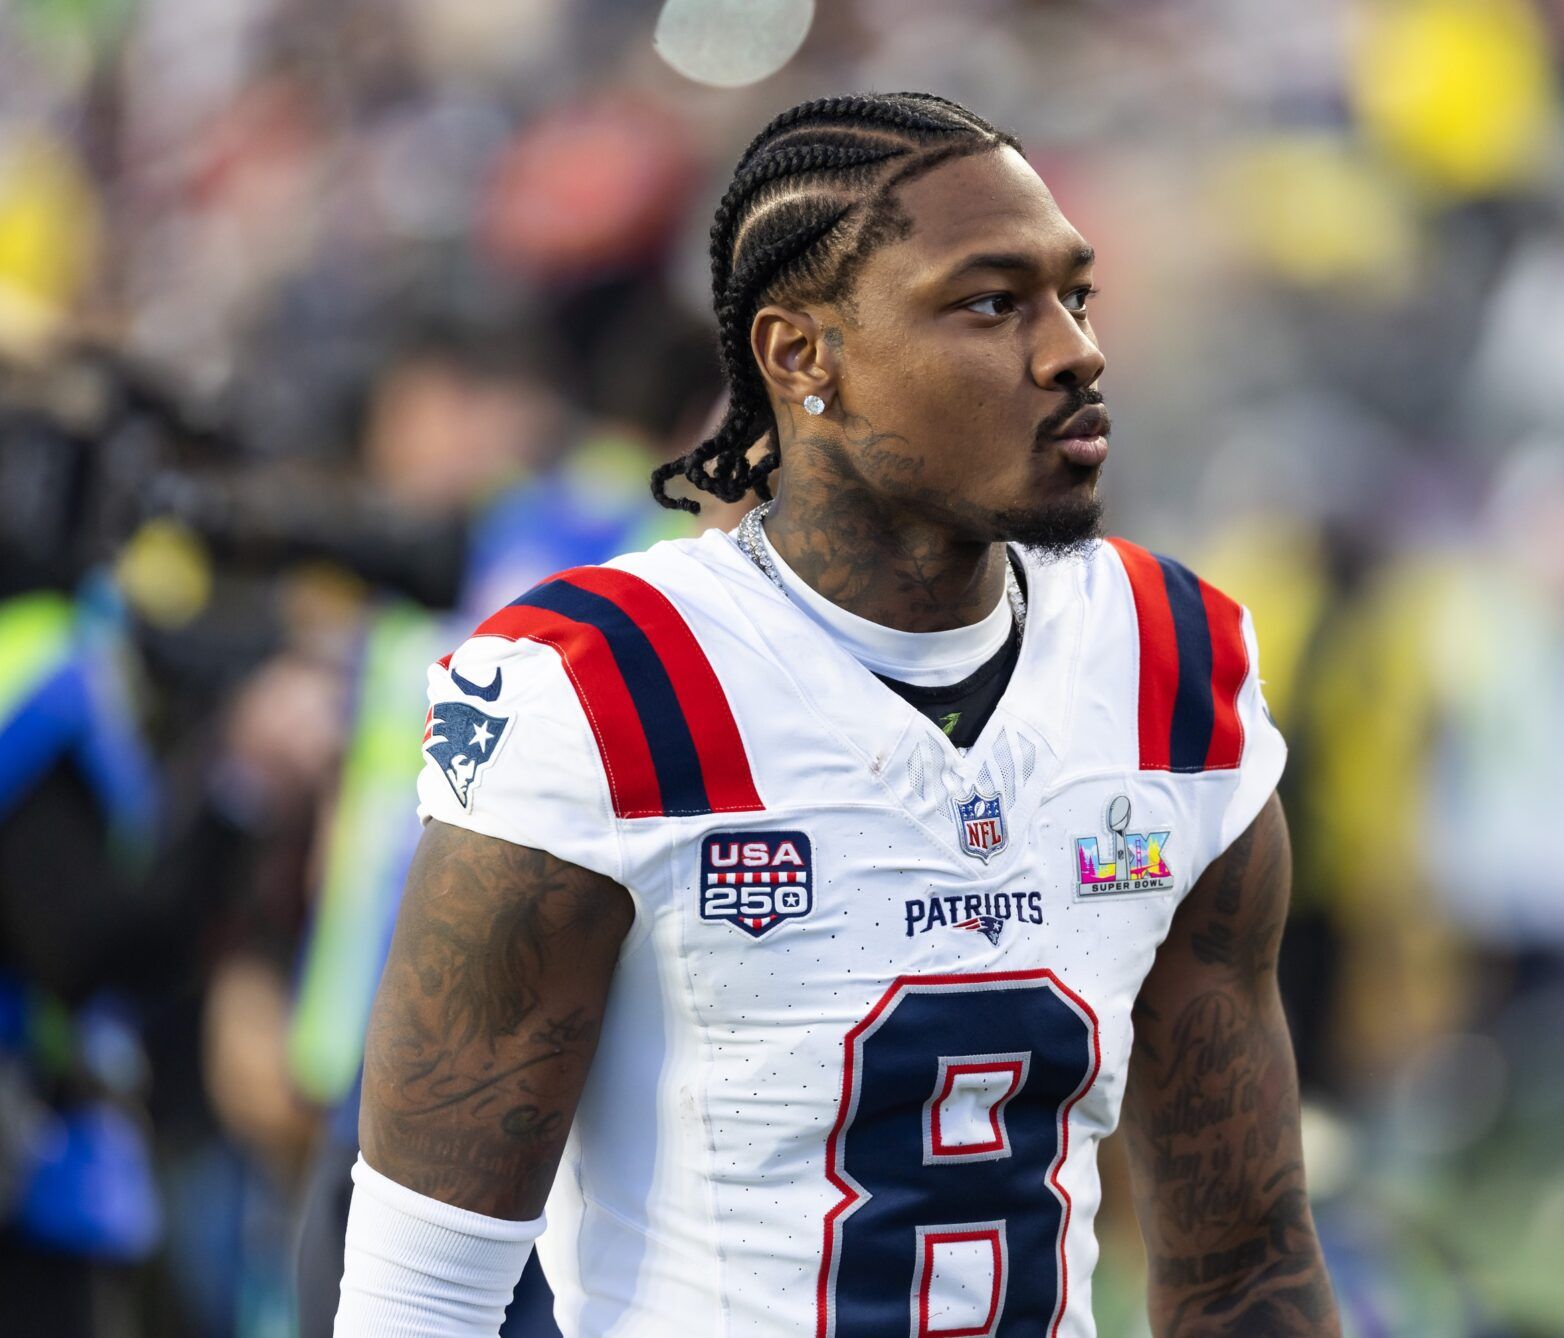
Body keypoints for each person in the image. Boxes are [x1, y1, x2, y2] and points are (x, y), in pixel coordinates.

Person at [335, 92, 1339, 1337]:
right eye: (990, 302)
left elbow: (1244, 1261)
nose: (1073, 349)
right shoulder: (606, 689)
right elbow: (422, 1294)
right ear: (801, 357)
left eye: (1075, 295)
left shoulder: (1170, 669)